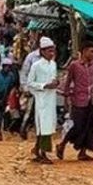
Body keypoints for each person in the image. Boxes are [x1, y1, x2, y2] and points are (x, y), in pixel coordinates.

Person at [57, 42, 93, 161]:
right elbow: (68, 81)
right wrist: (66, 98)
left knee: (90, 126)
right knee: (77, 126)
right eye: (91, 51)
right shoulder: (74, 65)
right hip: (78, 99)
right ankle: (62, 145)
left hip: (90, 99)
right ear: (84, 51)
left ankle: (83, 152)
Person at [26, 36, 60, 164]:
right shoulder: (36, 65)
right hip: (41, 100)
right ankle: (43, 153)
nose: (52, 54)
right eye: (49, 51)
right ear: (42, 52)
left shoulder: (54, 65)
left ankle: (38, 149)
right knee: (43, 126)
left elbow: (53, 78)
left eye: (53, 51)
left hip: (51, 99)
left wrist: (55, 83)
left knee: (48, 126)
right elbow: (30, 83)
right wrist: (44, 85)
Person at [0, 57, 18, 141]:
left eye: (9, 67)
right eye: (6, 66)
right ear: (3, 66)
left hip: (5, 97)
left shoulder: (11, 76)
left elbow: (12, 85)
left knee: (2, 116)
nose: (8, 68)